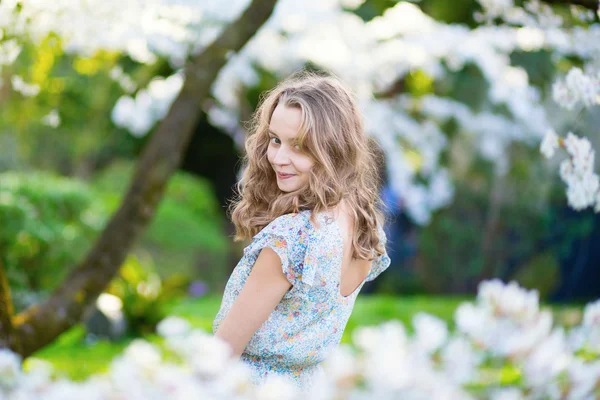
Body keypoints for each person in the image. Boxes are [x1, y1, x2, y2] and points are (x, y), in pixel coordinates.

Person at [212, 69, 391, 391]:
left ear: (333, 148)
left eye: (300, 146)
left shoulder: (293, 238)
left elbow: (222, 354)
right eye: (275, 140)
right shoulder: (363, 221)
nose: (279, 158)